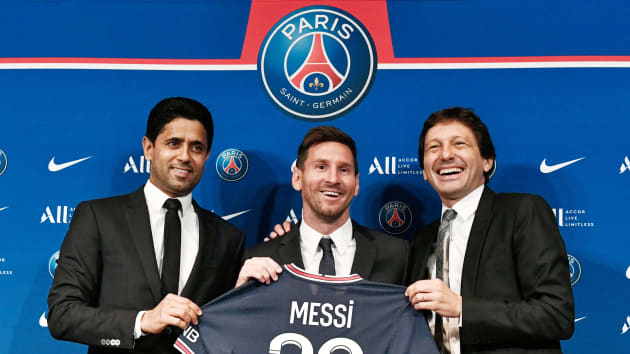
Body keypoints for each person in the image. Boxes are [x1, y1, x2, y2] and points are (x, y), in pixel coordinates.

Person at [47, 97, 245, 354]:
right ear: (149, 148)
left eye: (196, 147)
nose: (185, 156)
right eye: (173, 143)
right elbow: (63, 315)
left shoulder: (228, 237)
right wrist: (142, 321)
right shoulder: (98, 218)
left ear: (207, 155)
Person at [405, 107, 574, 353]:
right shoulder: (422, 239)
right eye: (434, 148)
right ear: (424, 171)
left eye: (459, 144)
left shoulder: (522, 212)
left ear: (487, 161)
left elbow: (556, 315)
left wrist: (462, 308)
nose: (445, 155)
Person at [236, 126, 408, 287]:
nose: (333, 179)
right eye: (321, 167)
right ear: (297, 178)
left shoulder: (397, 255)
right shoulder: (261, 258)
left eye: (344, 170)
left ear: (356, 183)